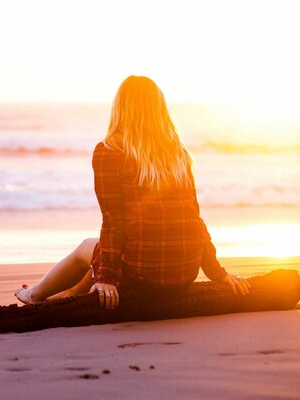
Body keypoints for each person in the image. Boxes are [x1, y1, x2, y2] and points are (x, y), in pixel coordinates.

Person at [15, 75, 250, 309]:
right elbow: (193, 217)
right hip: (183, 273)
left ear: (120, 108)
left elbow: (114, 221)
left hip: (143, 277)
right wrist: (217, 273)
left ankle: (34, 295)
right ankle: (73, 293)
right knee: (109, 249)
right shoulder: (178, 152)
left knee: (87, 247)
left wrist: (107, 278)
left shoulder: (110, 151)